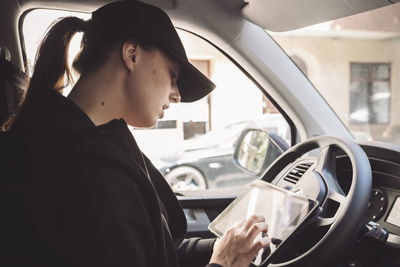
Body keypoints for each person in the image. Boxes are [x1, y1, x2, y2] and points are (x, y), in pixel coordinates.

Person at [0, 1, 270, 266]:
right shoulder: (84, 167)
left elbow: (154, 250)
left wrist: (223, 247)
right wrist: (223, 264)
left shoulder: (81, 141)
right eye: (173, 76)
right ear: (131, 55)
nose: (176, 96)